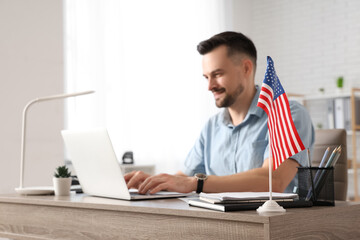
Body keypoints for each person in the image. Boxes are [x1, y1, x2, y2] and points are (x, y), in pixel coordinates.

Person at [125, 31, 314, 194]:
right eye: (206, 77)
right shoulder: (212, 127)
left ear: (246, 68)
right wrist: (153, 182)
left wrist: (196, 183)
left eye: (217, 75)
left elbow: (274, 181)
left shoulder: (287, 114)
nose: (209, 86)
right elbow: (185, 177)